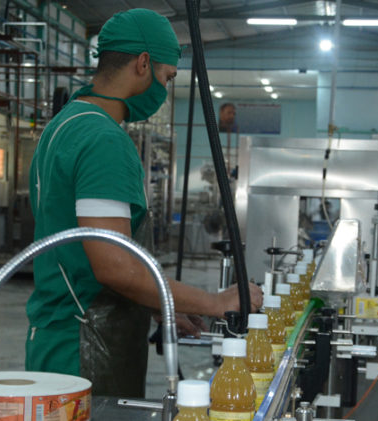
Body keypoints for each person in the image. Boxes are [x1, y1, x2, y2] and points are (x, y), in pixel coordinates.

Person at [25, 9, 263, 398]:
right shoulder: (103, 139)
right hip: (85, 351)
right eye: (167, 77)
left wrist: (159, 303)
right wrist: (215, 301)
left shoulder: (64, 125)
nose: (164, 88)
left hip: (57, 336)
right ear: (143, 63)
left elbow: (82, 249)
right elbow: (115, 268)